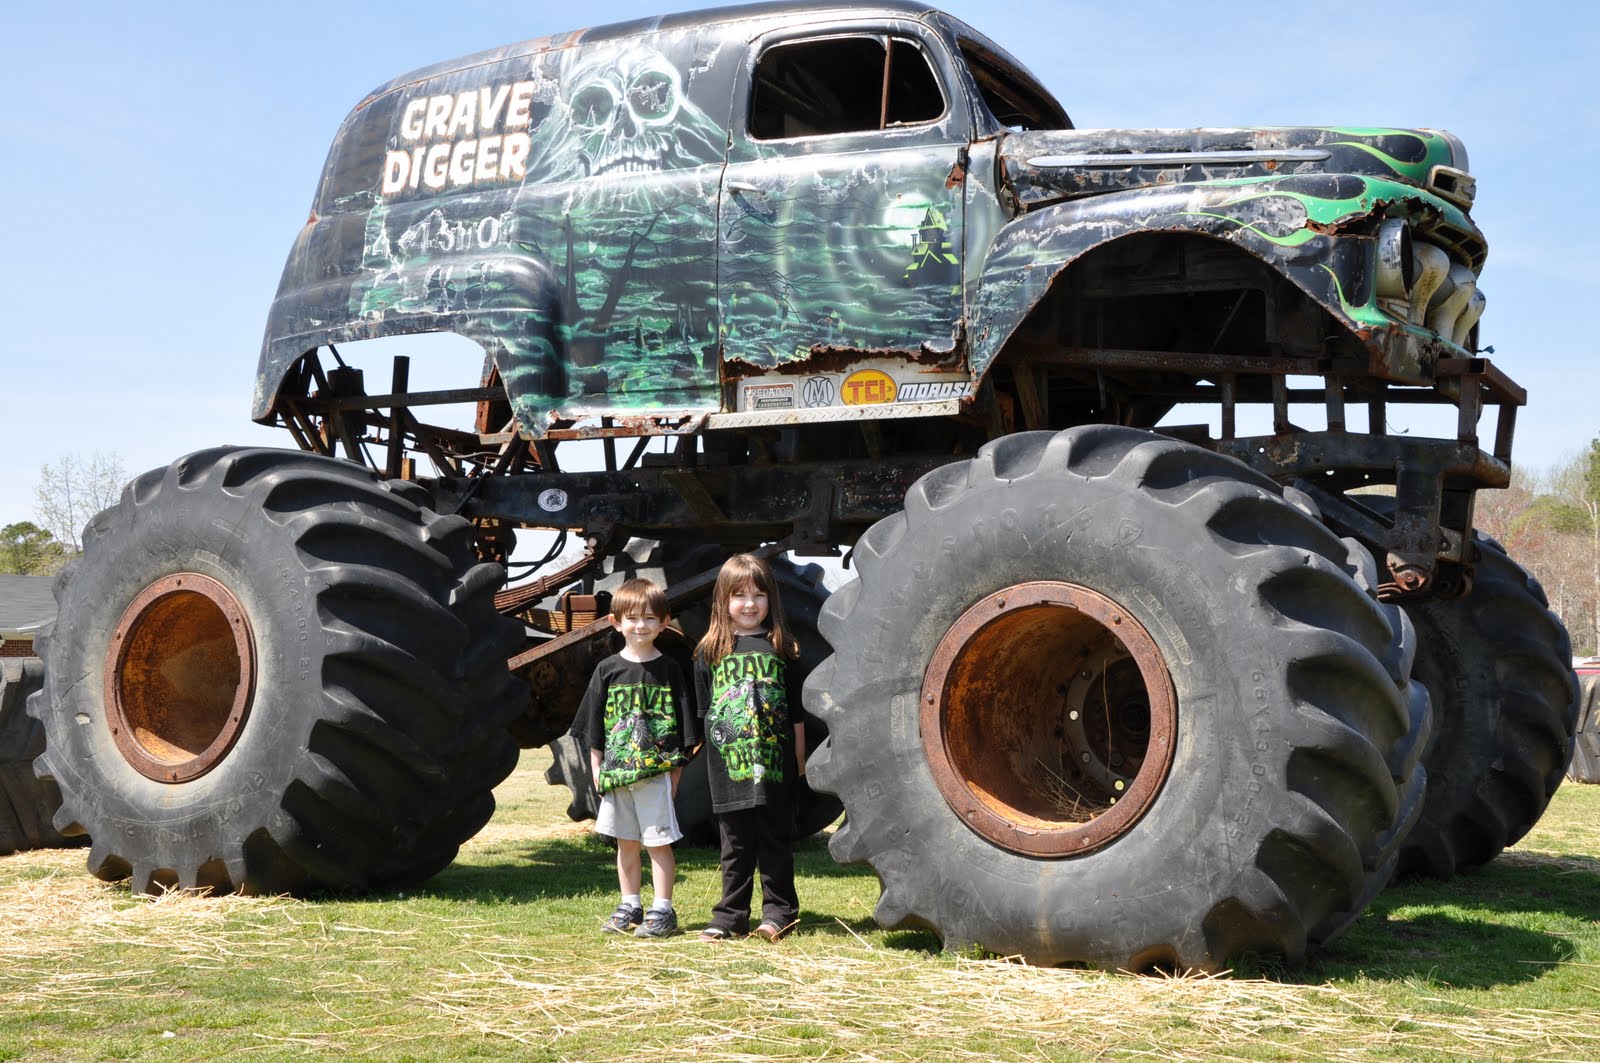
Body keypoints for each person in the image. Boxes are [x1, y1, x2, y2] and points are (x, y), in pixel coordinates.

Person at [569, 577, 696, 938]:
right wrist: (596, 766)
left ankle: (663, 909)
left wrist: (676, 774)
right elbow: (594, 723)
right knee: (625, 842)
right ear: (616, 622)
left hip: (655, 774)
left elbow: (683, 726)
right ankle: (630, 903)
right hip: (617, 774)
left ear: (664, 621)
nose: (641, 626)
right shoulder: (606, 670)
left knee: (658, 843)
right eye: (633, 618)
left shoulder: (669, 669)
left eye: (650, 618)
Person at [693, 554, 805, 942]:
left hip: (775, 766)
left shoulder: (782, 648)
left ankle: (780, 913)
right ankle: (730, 916)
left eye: (758, 594)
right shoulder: (709, 653)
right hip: (730, 769)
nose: (749, 604)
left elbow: (795, 716)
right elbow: (706, 716)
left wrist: (799, 762)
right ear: (723, 601)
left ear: (770, 599)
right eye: (739, 595)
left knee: (775, 840)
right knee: (735, 846)